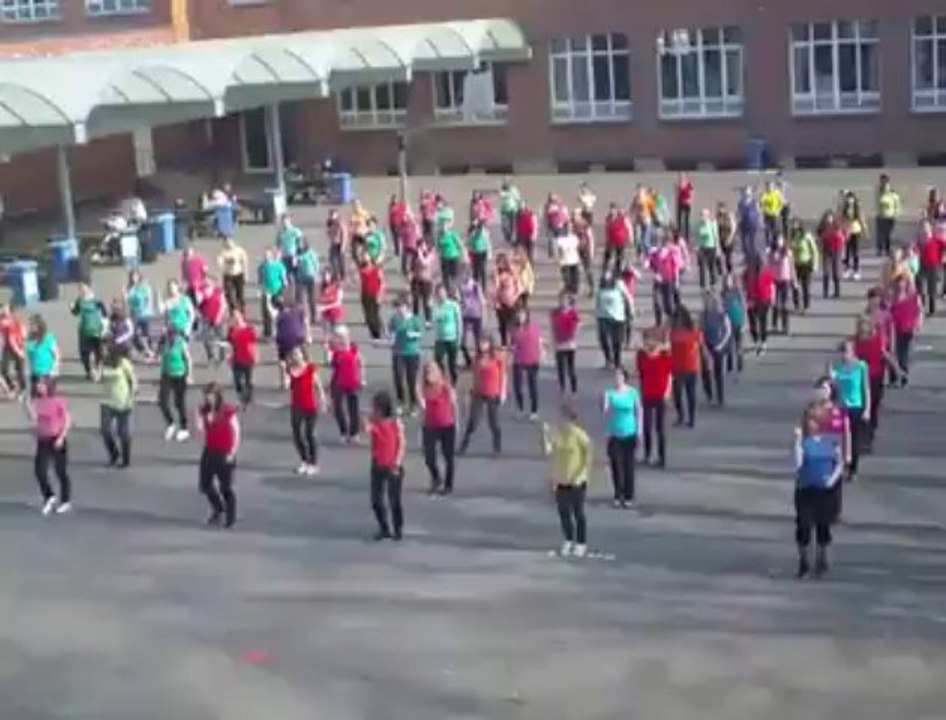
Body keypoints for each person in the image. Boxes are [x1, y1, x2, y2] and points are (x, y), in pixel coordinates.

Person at [793, 409, 844, 578]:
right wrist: (798, 442)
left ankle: (822, 559)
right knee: (804, 526)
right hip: (805, 490)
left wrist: (832, 479)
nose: (809, 424)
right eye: (807, 421)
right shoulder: (803, 443)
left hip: (824, 491)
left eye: (813, 421)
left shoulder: (830, 442)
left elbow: (839, 463)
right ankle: (804, 561)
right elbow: (798, 465)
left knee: (823, 526)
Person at [542, 402, 593, 557]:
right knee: (563, 512)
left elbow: (588, 455)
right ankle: (568, 540)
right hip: (561, 479)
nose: (561, 420)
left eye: (563, 417)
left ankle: (581, 542)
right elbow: (548, 451)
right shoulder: (557, 433)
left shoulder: (580, 435)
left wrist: (583, 474)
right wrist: (544, 434)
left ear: (570, 418)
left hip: (577, 479)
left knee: (578, 512)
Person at [24, 377, 72, 516]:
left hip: (57, 439)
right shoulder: (37, 402)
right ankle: (49, 495)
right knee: (39, 470)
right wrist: (26, 406)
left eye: (41, 384)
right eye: (38, 384)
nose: (38, 386)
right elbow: (33, 419)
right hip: (43, 440)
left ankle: (65, 501)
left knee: (60, 471)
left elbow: (67, 420)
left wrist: (61, 437)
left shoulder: (58, 401)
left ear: (49, 387)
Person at [196, 383, 240, 528]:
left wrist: (232, 453)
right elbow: (200, 429)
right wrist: (199, 415)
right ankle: (218, 508)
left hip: (225, 452)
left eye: (211, 396)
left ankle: (230, 518)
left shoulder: (228, 410)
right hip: (210, 450)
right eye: (206, 396)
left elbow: (236, 432)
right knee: (205, 485)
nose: (208, 399)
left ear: (217, 396)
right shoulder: (204, 411)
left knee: (225, 487)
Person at [366, 390, 406, 541]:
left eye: (374, 408)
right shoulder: (375, 423)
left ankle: (398, 528)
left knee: (394, 500)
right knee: (376, 500)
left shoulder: (395, 424)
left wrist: (397, 462)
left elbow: (401, 443)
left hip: (392, 466)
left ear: (381, 410)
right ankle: (384, 528)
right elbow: (367, 429)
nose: (372, 410)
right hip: (377, 464)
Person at [829, 340, 870, 482]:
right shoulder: (837, 367)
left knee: (854, 438)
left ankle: (853, 468)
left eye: (846, 351)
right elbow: (831, 388)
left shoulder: (861, 366)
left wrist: (867, 409)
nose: (844, 355)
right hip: (840, 407)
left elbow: (865, 388)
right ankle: (839, 465)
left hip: (855, 407)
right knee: (838, 439)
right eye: (842, 351)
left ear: (853, 352)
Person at [458, 334, 505, 456]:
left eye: (485, 342)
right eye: (480, 342)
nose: (482, 345)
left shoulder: (497, 358)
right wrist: (468, 392)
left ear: (490, 344)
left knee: (494, 422)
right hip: (478, 392)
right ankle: (463, 446)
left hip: (493, 392)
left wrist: (502, 392)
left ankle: (497, 448)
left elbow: (503, 375)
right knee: (473, 421)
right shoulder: (476, 359)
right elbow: (473, 376)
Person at [603, 365, 642, 508]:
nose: (616, 378)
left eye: (619, 376)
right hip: (615, 434)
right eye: (615, 376)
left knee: (629, 466)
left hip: (630, 433)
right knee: (616, 466)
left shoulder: (632, 393)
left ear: (624, 378)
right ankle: (617, 494)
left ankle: (628, 495)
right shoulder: (609, 393)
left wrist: (639, 432)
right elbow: (605, 412)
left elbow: (638, 411)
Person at [418, 360, 457, 495]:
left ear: (438, 372)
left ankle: (448, 484)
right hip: (430, 425)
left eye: (432, 370)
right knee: (429, 457)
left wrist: (456, 423)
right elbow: (422, 406)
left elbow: (453, 405)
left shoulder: (445, 387)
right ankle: (436, 478)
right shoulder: (424, 387)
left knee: (448, 457)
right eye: (427, 370)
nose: (429, 373)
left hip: (447, 425)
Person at [636, 327, 672, 467]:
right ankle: (647, 454)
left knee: (660, 428)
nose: (647, 343)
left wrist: (667, 393)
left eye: (650, 340)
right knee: (647, 426)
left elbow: (669, 376)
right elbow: (640, 370)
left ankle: (662, 458)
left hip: (661, 395)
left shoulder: (666, 356)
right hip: (647, 393)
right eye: (646, 340)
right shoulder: (641, 355)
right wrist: (647, 351)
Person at [287, 346, 325, 475]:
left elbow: (318, 385)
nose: (295, 356)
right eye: (293, 354)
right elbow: (289, 386)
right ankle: (304, 460)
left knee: (310, 434)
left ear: (303, 355)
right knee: (297, 435)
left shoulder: (310, 368)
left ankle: (313, 463)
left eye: (298, 354)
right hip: (296, 407)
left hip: (310, 406)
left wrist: (322, 398)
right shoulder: (291, 370)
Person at [98, 342, 136, 467]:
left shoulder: (123, 363)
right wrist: (97, 368)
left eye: (105, 349)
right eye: (101, 349)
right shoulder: (103, 363)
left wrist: (132, 394)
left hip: (123, 400)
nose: (103, 351)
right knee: (105, 431)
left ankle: (126, 459)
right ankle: (114, 453)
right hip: (107, 401)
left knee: (124, 433)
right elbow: (97, 378)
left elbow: (132, 379)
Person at [388, 293, 424, 415]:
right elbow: (391, 333)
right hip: (398, 352)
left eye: (400, 306)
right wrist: (391, 340)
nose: (398, 309)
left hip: (412, 353)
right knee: (398, 377)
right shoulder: (394, 319)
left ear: (406, 306)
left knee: (411, 380)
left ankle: (413, 404)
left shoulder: (414, 319)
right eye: (397, 307)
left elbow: (420, 334)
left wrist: (412, 335)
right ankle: (400, 401)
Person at [328, 325, 363, 443]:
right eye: (337, 336)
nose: (339, 339)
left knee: (354, 407)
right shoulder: (335, 351)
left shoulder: (353, 348)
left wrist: (362, 378)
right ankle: (343, 431)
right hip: (339, 381)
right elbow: (333, 365)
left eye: (341, 336)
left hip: (353, 381)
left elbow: (360, 363)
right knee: (337, 407)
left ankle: (354, 432)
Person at [670, 306, 702, 427]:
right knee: (688, 393)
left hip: (682, 368)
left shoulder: (676, 334)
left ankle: (683, 416)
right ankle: (688, 417)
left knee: (681, 393)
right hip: (688, 367)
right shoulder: (692, 332)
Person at [510, 306, 544, 420]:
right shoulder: (513, 329)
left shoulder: (533, 327)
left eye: (523, 315)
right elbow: (513, 344)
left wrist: (542, 353)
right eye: (518, 315)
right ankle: (520, 408)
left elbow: (539, 341)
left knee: (532, 385)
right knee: (517, 386)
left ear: (526, 316)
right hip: (518, 359)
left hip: (532, 358)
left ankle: (534, 410)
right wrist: (511, 349)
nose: (520, 317)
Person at [158, 328, 191, 442]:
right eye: (169, 335)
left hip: (179, 375)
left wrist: (189, 375)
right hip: (166, 374)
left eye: (172, 335)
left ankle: (184, 428)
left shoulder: (181, 343)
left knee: (179, 403)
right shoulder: (164, 343)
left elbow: (188, 359)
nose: (171, 337)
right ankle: (170, 423)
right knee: (162, 401)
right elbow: (158, 354)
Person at [889, 274, 922, 386]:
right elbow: (890, 311)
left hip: (908, 328)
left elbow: (919, 310)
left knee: (904, 353)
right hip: (895, 328)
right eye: (899, 283)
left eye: (902, 283)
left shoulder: (913, 296)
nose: (900, 285)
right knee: (895, 352)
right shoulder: (893, 296)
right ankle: (895, 377)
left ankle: (904, 376)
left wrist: (918, 323)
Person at [700, 292, 731, 406]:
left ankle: (720, 397)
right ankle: (709, 394)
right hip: (708, 345)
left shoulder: (723, 315)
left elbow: (728, 331)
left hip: (719, 346)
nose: (711, 304)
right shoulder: (704, 314)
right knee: (706, 372)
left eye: (713, 301)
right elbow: (701, 332)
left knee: (719, 373)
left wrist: (721, 345)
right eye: (708, 302)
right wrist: (704, 347)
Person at [595, 271, 630, 370]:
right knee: (604, 339)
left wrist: (631, 310)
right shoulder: (601, 287)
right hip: (603, 317)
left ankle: (617, 361)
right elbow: (598, 301)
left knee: (617, 341)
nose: (606, 277)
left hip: (618, 317)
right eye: (605, 276)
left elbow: (627, 297)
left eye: (608, 275)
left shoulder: (618, 284)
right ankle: (608, 360)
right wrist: (597, 314)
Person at [71, 283, 107, 380]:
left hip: (94, 330)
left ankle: (97, 370)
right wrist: (72, 308)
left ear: (89, 289)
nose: (83, 291)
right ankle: (90, 371)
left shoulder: (96, 301)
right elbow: (76, 312)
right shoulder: (80, 301)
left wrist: (104, 328)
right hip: (85, 330)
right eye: (81, 289)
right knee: (86, 353)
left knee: (96, 352)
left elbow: (105, 315)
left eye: (84, 289)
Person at [744, 254, 774, 355]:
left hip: (760, 300)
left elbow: (771, 285)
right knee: (760, 322)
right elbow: (772, 286)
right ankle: (760, 342)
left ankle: (760, 342)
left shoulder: (764, 272)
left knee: (758, 322)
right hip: (759, 300)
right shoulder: (750, 273)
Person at [275, 298, 309, 389]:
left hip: (283, 339)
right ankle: (306, 376)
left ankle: (285, 380)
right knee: (304, 358)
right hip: (297, 338)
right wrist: (308, 335)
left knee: (282, 359)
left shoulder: (280, 315)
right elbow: (305, 324)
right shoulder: (299, 312)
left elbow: (277, 328)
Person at [432, 283, 462, 385]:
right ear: (436, 295)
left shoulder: (453, 305)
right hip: (440, 339)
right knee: (438, 358)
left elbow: (459, 322)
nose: (441, 295)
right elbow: (434, 321)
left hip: (452, 338)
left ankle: (454, 380)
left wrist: (459, 338)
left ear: (446, 293)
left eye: (443, 292)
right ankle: (443, 378)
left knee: (452, 363)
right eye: (439, 293)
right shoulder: (435, 306)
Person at [226, 309, 257, 409]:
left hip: (248, 357)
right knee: (237, 381)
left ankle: (247, 399)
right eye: (234, 318)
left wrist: (255, 355)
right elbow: (230, 344)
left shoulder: (249, 329)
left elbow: (253, 344)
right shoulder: (231, 330)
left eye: (237, 317)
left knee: (248, 381)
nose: (236, 320)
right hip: (237, 358)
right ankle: (242, 396)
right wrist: (229, 356)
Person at [551, 292, 580, 395]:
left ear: (568, 301)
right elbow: (553, 328)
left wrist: (574, 340)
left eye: (564, 300)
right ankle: (562, 387)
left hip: (570, 344)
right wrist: (553, 341)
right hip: (559, 343)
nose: (562, 302)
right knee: (560, 368)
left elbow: (577, 327)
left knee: (570, 367)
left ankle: (574, 388)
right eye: (561, 300)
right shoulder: (555, 313)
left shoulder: (573, 313)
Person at [789, 219, 819, 314]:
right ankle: (797, 305)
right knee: (795, 286)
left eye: (796, 225)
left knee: (805, 286)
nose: (794, 227)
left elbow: (814, 250)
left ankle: (806, 306)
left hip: (806, 264)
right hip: (795, 265)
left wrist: (815, 264)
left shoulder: (807, 236)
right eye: (793, 226)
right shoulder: (791, 237)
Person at [196, 276, 227, 365]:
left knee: (221, 338)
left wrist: (219, 316)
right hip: (206, 319)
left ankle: (222, 356)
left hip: (218, 319)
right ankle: (210, 356)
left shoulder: (218, 292)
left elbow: (223, 305)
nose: (207, 284)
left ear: (213, 284)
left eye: (209, 283)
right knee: (206, 338)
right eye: (205, 283)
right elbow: (198, 303)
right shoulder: (201, 293)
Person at [258, 247, 288, 339]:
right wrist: (261, 289)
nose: (266, 257)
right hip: (266, 292)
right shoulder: (262, 266)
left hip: (277, 291)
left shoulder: (279, 265)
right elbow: (261, 279)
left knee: (280, 312)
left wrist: (283, 291)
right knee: (266, 313)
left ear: (271, 256)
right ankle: (268, 333)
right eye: (265, 255)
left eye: (268, 255)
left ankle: (284, 330)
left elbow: (284, 279)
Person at [24, 315, 59, 394]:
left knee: (48, 398)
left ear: (39, 325)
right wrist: (27, 370)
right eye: (29, 325)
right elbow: (27, 357)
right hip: (34, 374)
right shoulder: (28, 340)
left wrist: (54, 368)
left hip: (48, 373)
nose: (29, 327)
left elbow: (56, 355)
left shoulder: (49, 338)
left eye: (31, 325)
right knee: (36, 399)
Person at [768, 235, 795, 335]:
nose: (779, 241)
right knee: (774, 303)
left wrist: (794, 280)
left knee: (785, 305)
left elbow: (792, 267)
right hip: (774, 280)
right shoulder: (771, 253)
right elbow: (768, 267)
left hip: (785, 280)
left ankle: (785, 327)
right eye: (777, 239)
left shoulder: (788, 253)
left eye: (780, 239)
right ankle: (774, 325)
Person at [125, 269, 155, 359]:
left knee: (146, 334)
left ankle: (151, 351)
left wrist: (148, 308)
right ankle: (142, 350)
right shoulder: (129, 288)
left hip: (144, 314)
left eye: (135, 276)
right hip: (134, 315)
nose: (134, 278)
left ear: (139, 277)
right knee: (132, 334)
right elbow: (127, 301)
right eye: (132, 277)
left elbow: (148, 299)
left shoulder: (144, 287)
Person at [494, 253, 521, 347]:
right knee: (502, 326)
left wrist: (514, 298)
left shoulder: (512, 273)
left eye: (501, 262)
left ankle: (514, 343)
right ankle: (504, 344)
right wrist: (496, 302)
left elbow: (519, 288)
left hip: (512, 302)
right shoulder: (497, 275)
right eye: (498, 263)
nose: (499, 265)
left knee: (512, 325)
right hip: (501, 303)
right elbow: (496, 289)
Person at [720, 274, 746, 375]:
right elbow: (721, 306)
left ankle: (740, 363)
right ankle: (729, 365)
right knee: (729, 345)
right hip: (727, 322)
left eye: (729, 281)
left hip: (738, 320)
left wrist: (744, 322)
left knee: (738, 344)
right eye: (726, 281)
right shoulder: (722, 293)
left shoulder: (737, 292)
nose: (727, 283)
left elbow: (743, 306)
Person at [459, 273, 486, 368]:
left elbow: (482, 301)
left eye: (465, 274)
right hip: (466, 315)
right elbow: (461, 300)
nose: (463, 276)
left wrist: (483, 315)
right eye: (462, 274)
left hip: (476, 315)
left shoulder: (475, 285)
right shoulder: (461, 286)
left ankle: (479, 361)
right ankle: (469, 361)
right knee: (462, 342)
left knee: (478, 341)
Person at [0, 304, 26, 397]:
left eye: (5, 308)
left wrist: (22, 343)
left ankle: (23, 389)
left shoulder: (14, 319)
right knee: (3, 370)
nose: (3, 310)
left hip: (18, 346)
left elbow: (23, 331)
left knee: (20, 370)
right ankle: (12, 387)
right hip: (7, 348)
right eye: (2, 308)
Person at [357, 252, 385, 340]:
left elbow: (382, 283)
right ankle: (373, 332)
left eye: (366, 255)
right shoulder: (362, 268)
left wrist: (380, 294)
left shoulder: (376, 269)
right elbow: (358, 280)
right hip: (365, 294)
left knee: (375, 314)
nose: (364, 257)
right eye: (363, 256)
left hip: (374, 293)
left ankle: (378, 332)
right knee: (368, 315)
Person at [217, 235, 249, 312]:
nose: (228, 244)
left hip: (238, 274)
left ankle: (242, 308)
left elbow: (244, 261)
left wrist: (246, 274)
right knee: (229, 294)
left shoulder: (239, 250)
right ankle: (233, 311)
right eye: (227, 242)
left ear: (233, 241)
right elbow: (220, 263)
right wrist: (221, 264)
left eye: (230, 241)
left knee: (240, 294)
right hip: (228, 275)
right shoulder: (223, 252)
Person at [840, 190, 865, 280]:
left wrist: (864, 230)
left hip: (855, 230)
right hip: (846, 231)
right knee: (846, 251)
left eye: (851, 198)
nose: (850, 200)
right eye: (848, 198)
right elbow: (840, 218)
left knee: (855, 252)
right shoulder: (844, 208)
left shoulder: (857, 208)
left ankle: (856, 270)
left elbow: (861, 219)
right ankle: (846, 269)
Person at [409, 241, 435, 324]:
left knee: (426, 301)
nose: (421, 247)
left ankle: (428, 319)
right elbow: (412, 267)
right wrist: (411, 275)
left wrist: (420, 254)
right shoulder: (415, 256)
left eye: (423, 245)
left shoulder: (430, 254)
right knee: (415, 300)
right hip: (416, 281)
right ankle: (415, 318)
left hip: (426, 281)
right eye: (419, 246)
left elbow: (424, 263)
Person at [875, 174, 901, 256]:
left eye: (883, 182)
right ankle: (880, 249)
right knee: (880, 234)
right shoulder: (878, 192)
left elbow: (897, 205)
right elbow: (878, 202)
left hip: (890, 217)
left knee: (887, 234)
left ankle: (887, 249)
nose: (881, 184)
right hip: (880, 216)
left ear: (887, 183)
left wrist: (895, 214)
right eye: (880, 181)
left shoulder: (893, 194)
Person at [296, 239, 320, 322]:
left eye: (301, 244)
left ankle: (314, 317)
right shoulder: (298, 253)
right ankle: (302, 317)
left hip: (310, 277)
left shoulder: (311, 253)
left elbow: (316, 264)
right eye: (298, 244)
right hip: (301, 277)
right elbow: (296, 265)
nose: (299, 246)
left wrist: (316, 275)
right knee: (300, 298)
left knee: (312, 298)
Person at [603, 203, 631, 274]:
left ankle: (618, 270)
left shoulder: (622, 217)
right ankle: (605, 268)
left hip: (620, 239)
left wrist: (630, 237)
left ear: (616, 210)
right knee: (608, 254)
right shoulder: (608, 218)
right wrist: (607, 239)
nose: (612, 211)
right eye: (610, 209)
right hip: (611, 239)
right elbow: (607, 228)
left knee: (619, 255)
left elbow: (629, 227)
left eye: (613, 209)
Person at [555, 220, 581, 295]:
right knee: (567, 283)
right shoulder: (561, 239)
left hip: (574, 262)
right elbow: (559, 250)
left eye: (570, 227)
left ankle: (572, 300)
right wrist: (559, 259)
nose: (569, 228)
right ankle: (566, 299)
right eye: (567, 227)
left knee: (575, 284)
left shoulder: (575, 237)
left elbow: (577, 248)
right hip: (565, 263)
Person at [696, 208, 720, 288]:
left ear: (707, 216)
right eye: (701, 215)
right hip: (702, 248)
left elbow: (716, 236)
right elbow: (697, 237)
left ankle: (713, 283)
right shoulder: (699, 224)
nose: (701, 217)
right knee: (702, 267)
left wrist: (717, 248)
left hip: (711, 247)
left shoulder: (712, 224)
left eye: (703, 215)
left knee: (711, 266)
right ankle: (702, 285)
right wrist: (697, 247)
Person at [468, 219, 491, 288]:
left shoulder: (485, 234)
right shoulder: (473, 234)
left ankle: (484, 287)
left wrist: (489, 255)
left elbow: (488, 244)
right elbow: (470, 244)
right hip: (475, 253)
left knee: (483, 270)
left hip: (483, 253)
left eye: (480, 230)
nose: (479, 232)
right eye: (478, 230)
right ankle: (475, 286)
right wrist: (470, 254)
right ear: (476, 229)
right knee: (475, 271)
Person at [327, 208, 348, 281]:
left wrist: (343, 246)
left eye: (333, 214)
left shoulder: (340, 223)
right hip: (333, 243)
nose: (331, 216)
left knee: (340, 260)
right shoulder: (330, 223)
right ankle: (336, 274)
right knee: (332, 260)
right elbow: (329, 233)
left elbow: (344, 234)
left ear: (337, 214)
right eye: (330, 214)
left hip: (339, 244)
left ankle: (342, 274)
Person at [499, 178, 522, 243]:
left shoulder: (513, 189)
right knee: (505, 225)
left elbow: (518, 198)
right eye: (505, 182)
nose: (506, 183)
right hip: (505, 209)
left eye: (507, 182)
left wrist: (520, 207)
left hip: (512, 209)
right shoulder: (503, 189)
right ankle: (507, 236)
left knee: (512, 225)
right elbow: (501, 195)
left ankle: (511, 236)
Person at [716, 202, 737, 275]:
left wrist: (730, 238)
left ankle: (730, 273)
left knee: (728, 258)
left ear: (724, 208)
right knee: (718, 256)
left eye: (721, 208)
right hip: (721, 239)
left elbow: (733, 228)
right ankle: (720, 272)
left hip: (729, 240)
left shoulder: (729, 216)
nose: (720, 210)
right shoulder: (718, 217)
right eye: (719, 208)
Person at [676, 172, 694, 239]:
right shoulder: (679, 184)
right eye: (680, 176)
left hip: (686, 203)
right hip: (680, 203)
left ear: (685, 177)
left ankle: (687, 236)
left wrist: (690, 200)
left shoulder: (688, 184)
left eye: (682, 176)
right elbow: (677, 194)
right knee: (679, 219)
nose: (681, 177)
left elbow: (691, 192)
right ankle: (679, 235)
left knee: (686, 219)